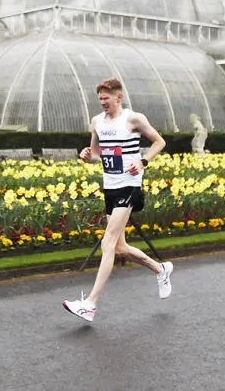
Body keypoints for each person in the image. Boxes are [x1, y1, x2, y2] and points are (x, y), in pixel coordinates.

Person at [62, 78, 173, 323]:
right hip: (110, 188)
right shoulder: (97, 122)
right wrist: (86, 155)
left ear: (118, 97)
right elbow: (96, 154)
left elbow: (159, 142)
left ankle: (90, 304)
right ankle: (161, 269)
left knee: (108, 242)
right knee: (120, 248)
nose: (103, 102)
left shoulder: (134, 119)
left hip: (129, 186)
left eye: (106, 98)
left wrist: (143, 162)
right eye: (100, 99)